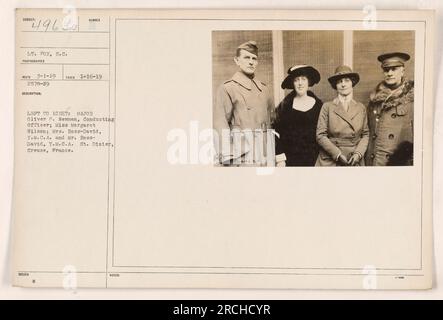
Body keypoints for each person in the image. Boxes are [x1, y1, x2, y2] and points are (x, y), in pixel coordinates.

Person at [213, 40, 274, 166]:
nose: (251, 62)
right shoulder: (227, 88)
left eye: (254, 58)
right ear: (237, 60)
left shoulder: (264, 89)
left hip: (263, 152)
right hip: (240, 154)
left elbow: (271, 124)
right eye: (246, 57)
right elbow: (221, 123)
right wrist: (228, 155)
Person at [366, 52, 414, 166]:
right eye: (386, 70)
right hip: (374, 161)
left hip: (396, 163)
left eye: (394, 69)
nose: (389, 73)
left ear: (402, 71)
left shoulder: (413, 99)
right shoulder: (375, 100)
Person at [315, 65, 369, 166]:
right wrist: (337, 154)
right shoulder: (327, 107)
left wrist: (358, 153)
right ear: (335, 85)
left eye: (346, 80)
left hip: (354, 158)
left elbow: (365, 134)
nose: (343, 84)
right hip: (331, 158)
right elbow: (320, 135)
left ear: (352, 83)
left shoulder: (361, 108)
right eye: (339, 81)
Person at [273, 65, 323, 166]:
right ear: (293, 83)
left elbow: (324, 133)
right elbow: (275, 132)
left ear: (308, 82)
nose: (300, 83)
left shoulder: (319, 105)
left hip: (314, 159)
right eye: (296, 80)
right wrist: (280, 158)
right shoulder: (284, 107)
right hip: (290, 159)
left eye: (303, 79)